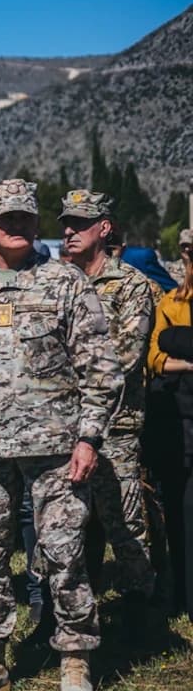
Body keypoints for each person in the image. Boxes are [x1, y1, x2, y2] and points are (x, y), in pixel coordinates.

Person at [0, 179, 121, 691]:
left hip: (57, 449)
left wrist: (89, 436)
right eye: (5, 217)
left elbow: (100, 372)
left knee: (62, 554)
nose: (15, 225)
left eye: (24, 217)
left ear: (36, 223)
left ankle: (75, 660)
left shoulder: (64, 283)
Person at [60, 190, 157, 626]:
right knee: (68, 524)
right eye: (66, 222)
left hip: (115, 424)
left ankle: (141, 607)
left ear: (104, 228)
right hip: (63, 424)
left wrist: (61, 372)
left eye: (80, 223)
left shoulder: (132, 285)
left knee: (123, 521)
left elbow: (124, 357)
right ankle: (72, 611)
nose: (68, 231)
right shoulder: (58, 281)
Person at [147, 227, 193, 617]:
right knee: (180, 508)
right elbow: (154, 356)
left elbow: (168, 346)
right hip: (182, 417)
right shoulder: (171, 301)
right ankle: (181, 591)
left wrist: (179, 345)